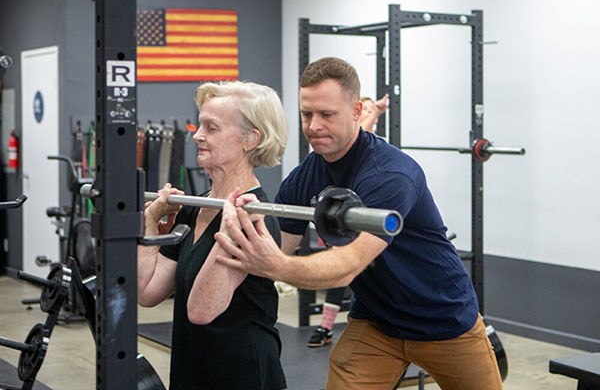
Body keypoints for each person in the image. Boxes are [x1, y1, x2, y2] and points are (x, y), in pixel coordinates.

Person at [216, 57, 503, 390]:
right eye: (307, 114)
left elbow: (345, 268)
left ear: (356, 112)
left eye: (327, 115)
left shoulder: (390, 174)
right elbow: (276, 244)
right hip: (377, 323)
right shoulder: (306, 175)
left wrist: (276, 266)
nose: (313, 126)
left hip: (444, 319)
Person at [137, 81, 288, 390]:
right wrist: (150, 221)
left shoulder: (251, 217)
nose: (197, 135)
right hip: (193, 368)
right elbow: (147, 292)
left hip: (241, 375)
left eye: (212, 128)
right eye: (200, 124)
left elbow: (201, 310)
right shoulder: (196, 208)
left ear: (250, 139)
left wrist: (229, 228)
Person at [307, 91, 389, 348]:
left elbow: (362, 128)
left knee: (353, 275)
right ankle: (326, 326)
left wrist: (374, 111)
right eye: (362, 110)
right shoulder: (337, 151)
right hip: (338, 219)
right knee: (337, 274)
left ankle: (328, 326)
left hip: (367, 226)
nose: (365, 114)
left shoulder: (374, 147)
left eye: (366, 111)